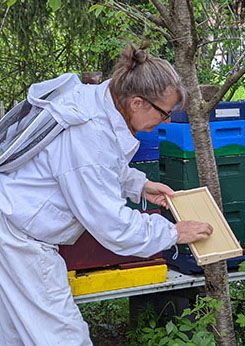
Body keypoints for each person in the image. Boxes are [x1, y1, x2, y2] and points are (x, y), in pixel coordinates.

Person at [0, 42, 213, 345]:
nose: (166, 121)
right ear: (137, 102)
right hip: (20, 238)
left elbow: (93, 167)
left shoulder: (97, 99)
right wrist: (173, 232)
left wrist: (139, 184)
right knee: (65, 338)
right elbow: (112, 225)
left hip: (13, 223)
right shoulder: (87, 134)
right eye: (165, 113)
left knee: (17, 337)